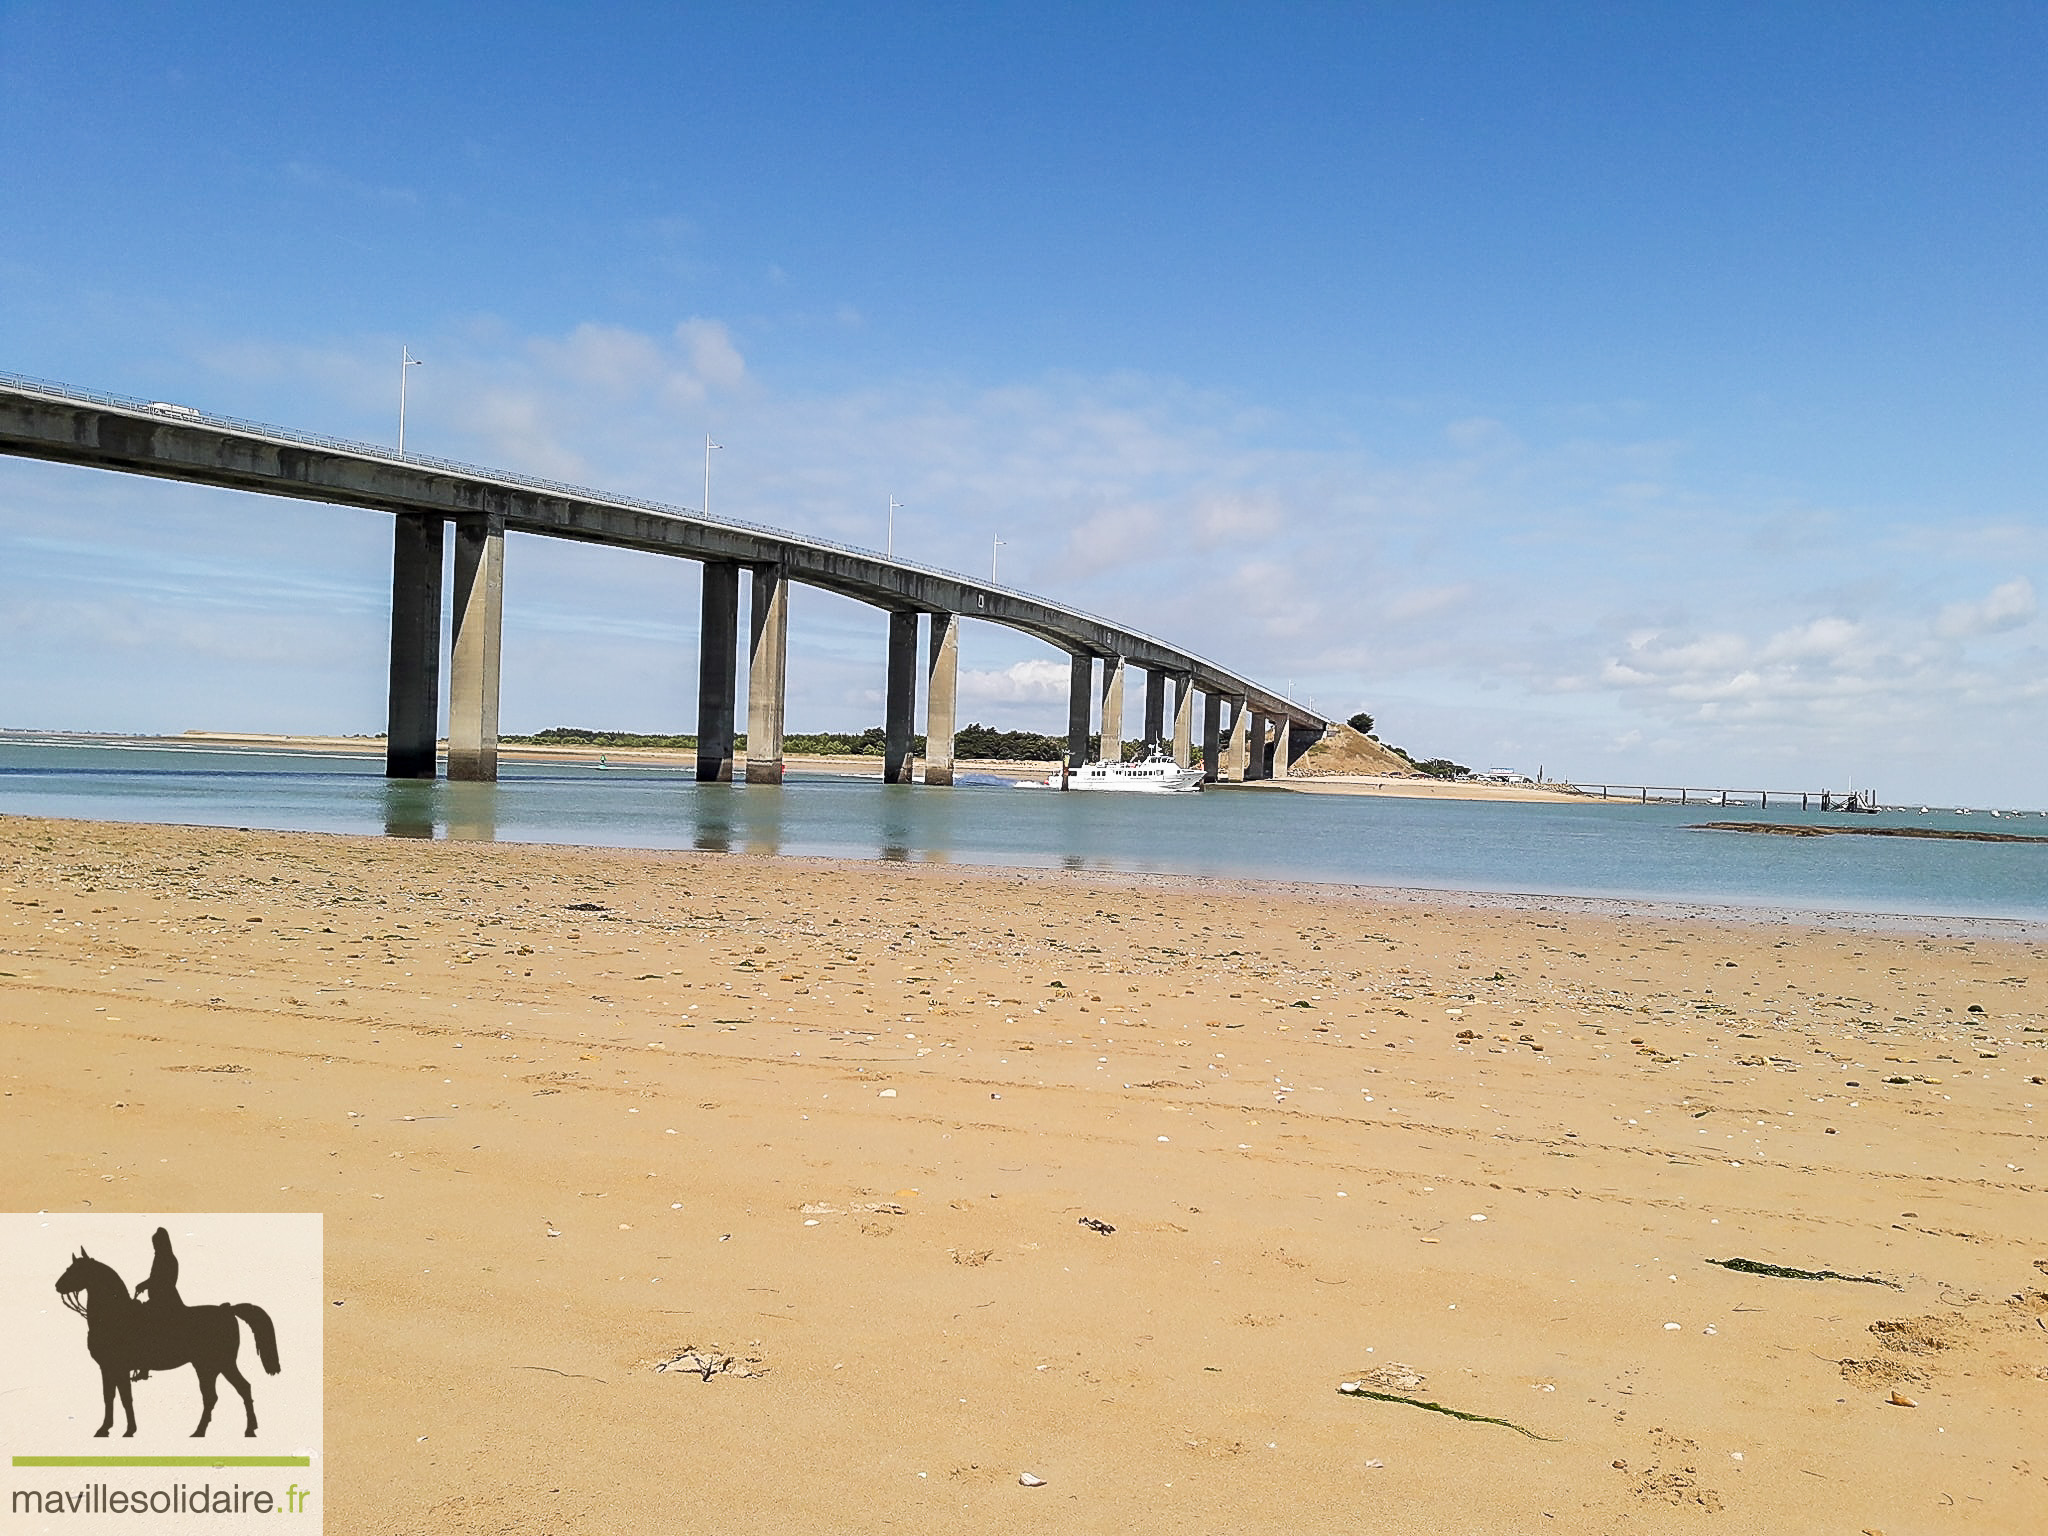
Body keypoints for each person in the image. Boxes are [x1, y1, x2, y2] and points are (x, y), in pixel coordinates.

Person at [130, 1227, 183, 1380]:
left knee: (143, 1324)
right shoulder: (161, 1257)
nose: (154, 1248)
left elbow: (161, 1280)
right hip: (158, 1299)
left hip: (165, 1300)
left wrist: (144, 1285)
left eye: (156, 1245)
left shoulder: (167, 1259)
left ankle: (144, 1366)